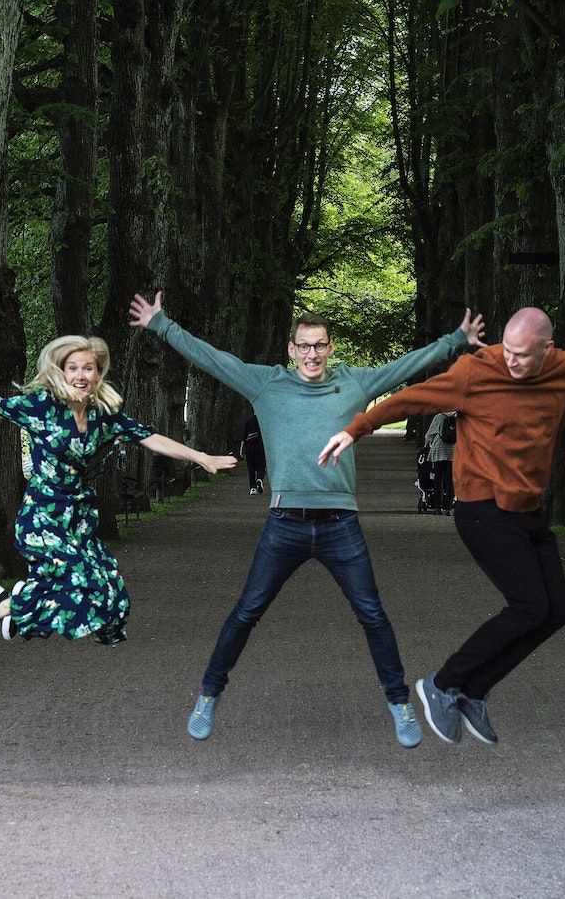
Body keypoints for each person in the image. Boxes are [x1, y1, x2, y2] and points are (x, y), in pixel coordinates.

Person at [319, 307, 565, 745]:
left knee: (558, 610)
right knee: (528, 607)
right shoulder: (474, 372)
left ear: (547, 348)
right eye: (507, 351)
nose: (513, 362)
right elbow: (412, 399)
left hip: (526, 509)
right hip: (482, 507)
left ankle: (474, 692)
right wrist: (356, 430)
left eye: (523, 355)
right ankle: (443, 683)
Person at [129, 290, 486, 748]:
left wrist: (455, 339)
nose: (312, 353)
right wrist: (162, 324)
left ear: (331, 348)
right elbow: (212, 360)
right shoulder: (266, 384)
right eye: (304, 345)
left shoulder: (354, 384)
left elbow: (406, 366)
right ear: (291, 350)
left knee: (373, 615)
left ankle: (399, 704)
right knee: (246, 612)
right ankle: (208, 695)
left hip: (341, 525)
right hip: (285, 524)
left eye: (320, 345)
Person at [0, 335, 236, 648]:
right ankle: (2, 608)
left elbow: (150, 438)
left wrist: (201, 457)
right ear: (61, 372)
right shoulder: (43, 406)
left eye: (88, 367)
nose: (81, 374)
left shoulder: (105, 416)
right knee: (77, 581)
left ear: (98, 373)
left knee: (108, 593)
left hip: (80, 519)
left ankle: (19, 612)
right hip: (43, 516)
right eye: (73, 367)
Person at [424, 412, 456, 515]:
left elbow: (429, 435)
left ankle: (438, 507)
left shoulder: (438, 416)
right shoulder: (459, 417)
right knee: (450, 480)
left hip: (439, 450)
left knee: (438, 479)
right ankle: (449, 507)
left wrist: (426, 447)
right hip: (454, 451)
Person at [240, 413, 267, 495]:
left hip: (249, 447)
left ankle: (253, 488)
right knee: (261, 466)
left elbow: (244, 435)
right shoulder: (264, 421)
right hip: (260, 446)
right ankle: (259, 479)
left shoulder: (248, 420)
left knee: (250, 468)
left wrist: (241, 448)